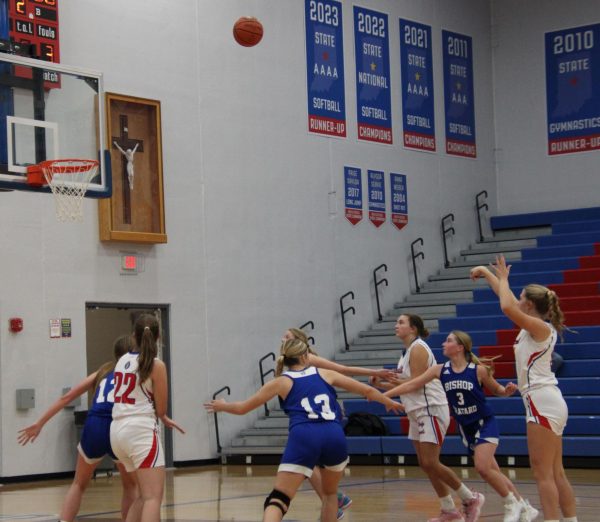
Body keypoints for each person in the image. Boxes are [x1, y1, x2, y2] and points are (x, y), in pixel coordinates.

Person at [204, 337, 404, 522]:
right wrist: (389, 402)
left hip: (305, 435)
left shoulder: (280, 382)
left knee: (279, 497)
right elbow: (367, 391)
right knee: (330, 494)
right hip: (334, 434)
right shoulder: (325, 373)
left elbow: (243, 408)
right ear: (305, 356)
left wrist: (223, 405)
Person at [385, 330, 539, 522]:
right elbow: (411, 385)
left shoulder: (478, 370)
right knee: (494, 472)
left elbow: (497, 390)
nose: (443, 343)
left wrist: (507, 391)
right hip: (465, 427)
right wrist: (386, 395)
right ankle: (525, 506)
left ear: (460, 347)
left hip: (484, 423)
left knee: (483, 468)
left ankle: (511, 504)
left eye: (448, 341)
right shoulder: (440, 370)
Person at [470, 256, 578, 522]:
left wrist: (503, 278)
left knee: (543, 474)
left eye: (521, 298)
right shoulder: (534, 325)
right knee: (556, 471)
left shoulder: (540, 327)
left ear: (529, 305)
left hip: (542, 402)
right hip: (547, 401)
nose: (516, 299)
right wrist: (486, 273)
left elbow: (507, 305)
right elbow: (505, 297)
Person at [369, 314, 484, 522]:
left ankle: (470, 497)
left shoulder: (419, 348)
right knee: (426, 463)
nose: (396, 325)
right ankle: (449, 509)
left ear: (413, 328)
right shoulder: (405, 354)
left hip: (430, 408)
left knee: (431, 461)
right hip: (416, 410)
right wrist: (379, 387)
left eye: (401, 322)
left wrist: (384, 395)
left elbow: (417, 383)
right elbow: (408, 384)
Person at [18, 335, 139, 522]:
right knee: (130, 486)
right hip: (118, 426)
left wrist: (40, 422)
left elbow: (66, 398)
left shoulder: (103, 372)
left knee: (78, 484)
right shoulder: (137, 374)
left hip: (95, 425)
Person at [282, 327, 396, 520]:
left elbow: (343, 370)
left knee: (305, 462)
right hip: (313, 419)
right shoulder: (290, 365)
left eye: (287, 337)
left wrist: (374, 371)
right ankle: (334, 501)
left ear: (299, 342)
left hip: (323, 419)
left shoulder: (308, 358)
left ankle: (336, 501)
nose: (282, 339)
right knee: (306, 464)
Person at [110, 314, 185, 522]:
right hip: (139, 432)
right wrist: (165, 417)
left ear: (133, 335)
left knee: (144, 496)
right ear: (158, 336)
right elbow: (161, 409)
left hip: (116, 432)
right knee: (153, 498)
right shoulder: (156, 365)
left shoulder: (122, 360)